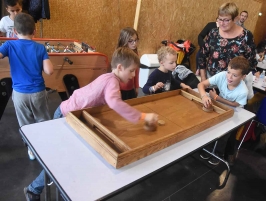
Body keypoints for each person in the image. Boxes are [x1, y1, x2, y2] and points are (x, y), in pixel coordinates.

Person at [24, 47, 159, 201]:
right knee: (62, 161)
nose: (134, 75)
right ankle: (34, 189)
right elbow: (115, 103)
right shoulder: (112, 82)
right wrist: (143, 116)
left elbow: (102, 102)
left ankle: (46, 190)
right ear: (120, 67)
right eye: (132, 71)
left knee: (67, 159)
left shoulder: (108, 77)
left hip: (69, 114)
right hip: (67, 117)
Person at [0, 13, 53, 160]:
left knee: (26, 124)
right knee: (42, 119)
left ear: (15, 31)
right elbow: (49, 71)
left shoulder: (9, 45)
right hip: (38, 92)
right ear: (34, 31)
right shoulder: (40, 48)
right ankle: (45, 147)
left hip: (19, 94)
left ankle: (31, 150)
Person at [198, 56, 249, 165]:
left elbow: (235, 104)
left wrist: (217, 98)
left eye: (234, 75)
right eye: (228, 72)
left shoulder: (243, 91)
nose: (229, 77)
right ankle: (208, 148)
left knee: (224, 134)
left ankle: (218, 154)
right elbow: (201, 84)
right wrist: (204, 96)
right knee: (211, 126)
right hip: (221, 107)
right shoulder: (222, 76)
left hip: (235, 112)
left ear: (243, 77)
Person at [198, 3, 257, 82]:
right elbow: (202, 55)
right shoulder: (214, 33)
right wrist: (203, 78)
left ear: (235, 19)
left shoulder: (246, 36)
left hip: (232, 84)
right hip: (211, 79)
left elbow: (251, 62)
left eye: (226, 20)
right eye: (220, 19)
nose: (222, 23)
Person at [117, 27, 140, 100]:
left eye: (136, 40)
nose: (134, 43)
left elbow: (136, 72)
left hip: (131, 88)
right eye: (131, 41)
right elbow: (116, 74)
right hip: (120, 89)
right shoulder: (120, 55)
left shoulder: (135, 54)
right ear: (124, 40)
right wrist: (117, 89)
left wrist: (136, 86)